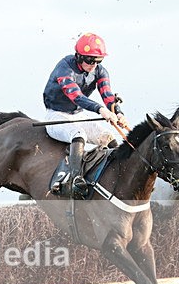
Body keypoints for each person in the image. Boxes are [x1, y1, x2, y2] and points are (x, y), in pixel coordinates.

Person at [43, 32, 130, 194]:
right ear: (78, 56)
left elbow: (107, 95)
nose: (94, 65)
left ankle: (120, 176)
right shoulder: (64, 68)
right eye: (90, 60)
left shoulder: (100, 71)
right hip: (56, 115)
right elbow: (76, 97)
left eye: (98, 60)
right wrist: (101, 110)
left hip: (78, 115)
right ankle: (75, 179)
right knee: (78, 134)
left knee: (108, 137)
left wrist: (118, 112)